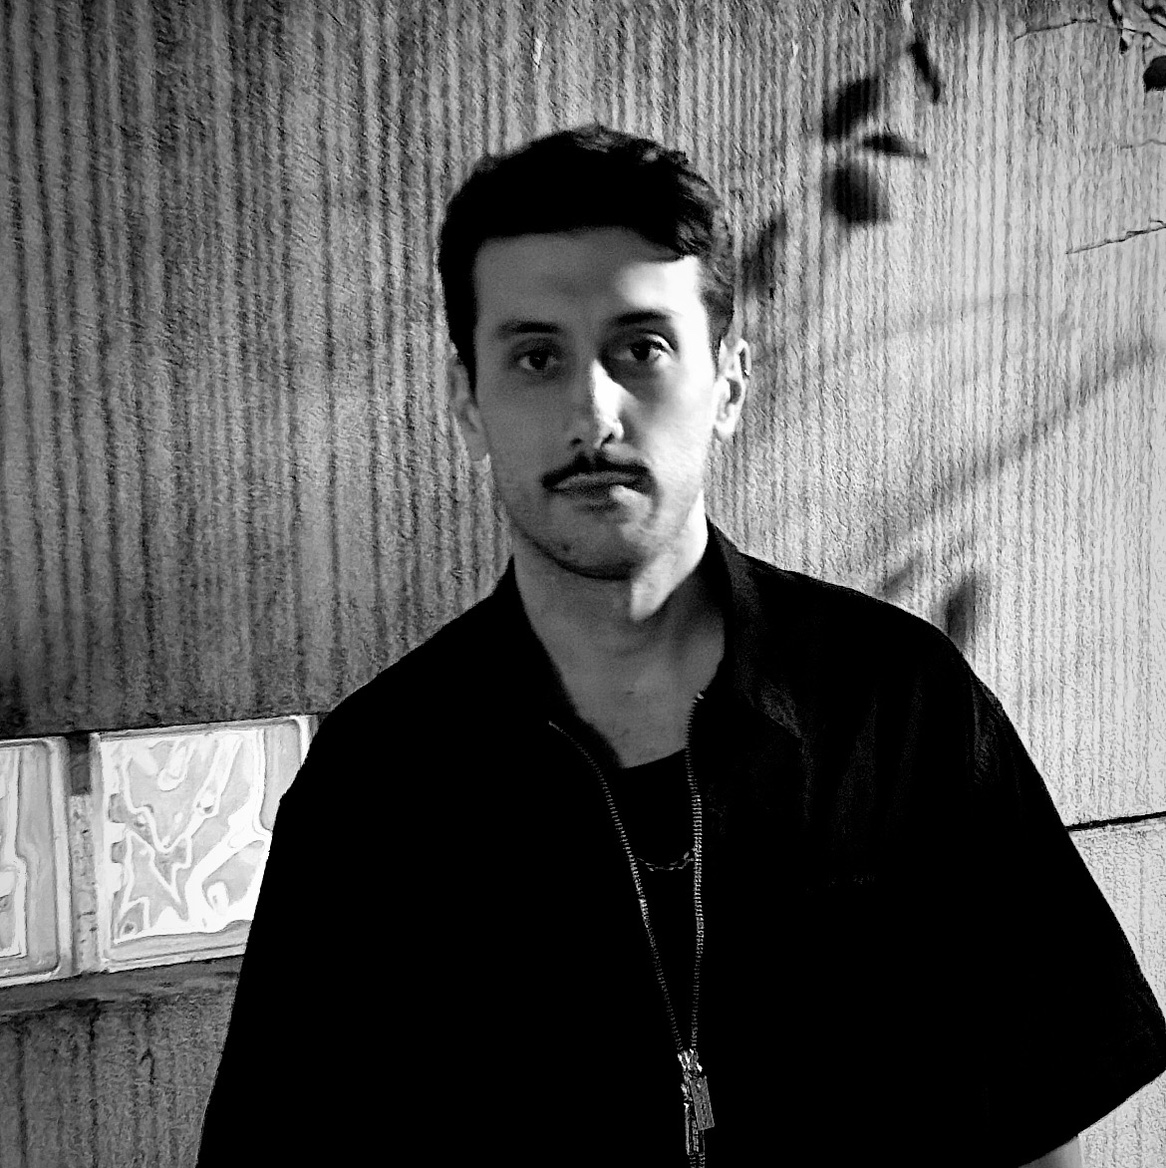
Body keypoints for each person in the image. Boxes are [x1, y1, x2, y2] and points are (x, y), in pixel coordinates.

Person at [196, 125, 1166, 1167]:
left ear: (728, 386)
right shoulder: (378, 781)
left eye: (640, 348)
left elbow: (1036, 1126)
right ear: (468, 404)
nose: (593, 411)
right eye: (536, 357)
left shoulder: (898, 703)